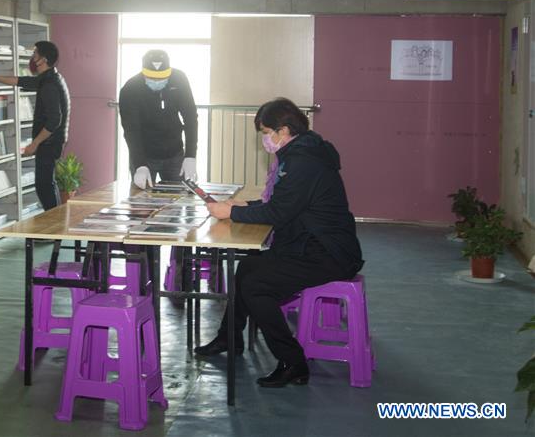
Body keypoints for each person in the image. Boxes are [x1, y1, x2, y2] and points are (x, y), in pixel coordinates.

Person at [195, 97, 364, 389]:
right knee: (247, 268)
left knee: (256, 286)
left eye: (265, 132)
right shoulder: (302, 152)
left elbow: (279, 212)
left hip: (327, 253)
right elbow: (283, 202)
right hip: (311, 244)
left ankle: (293, 363)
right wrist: (241, 205)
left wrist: (232, 212)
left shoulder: (302, 162)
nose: (264, 140)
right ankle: (229, 338)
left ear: (283, 131)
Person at [0, 41, 69, 211]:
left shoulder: (50, 84)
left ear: (42, 60)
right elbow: (21, 81)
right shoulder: (49, 78)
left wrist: (34, 143)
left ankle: (53, 229)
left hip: (49, 143)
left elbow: (54, 120)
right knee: (46, 185)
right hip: (51, 142)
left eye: (35, 54)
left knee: (44, 186)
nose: (32, 57)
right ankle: (54, 226)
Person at [118, 49, 198, 189]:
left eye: (162, 78)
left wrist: (190, 156)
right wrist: (139, 165)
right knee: (142, 203)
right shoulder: (130, 89)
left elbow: (190, 117)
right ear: (143, 73)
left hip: (175, 154)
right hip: (145, 154)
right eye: (152, 78)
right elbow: (131, 130)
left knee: (177, 203)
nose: (157, 81)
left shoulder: (179, 80)